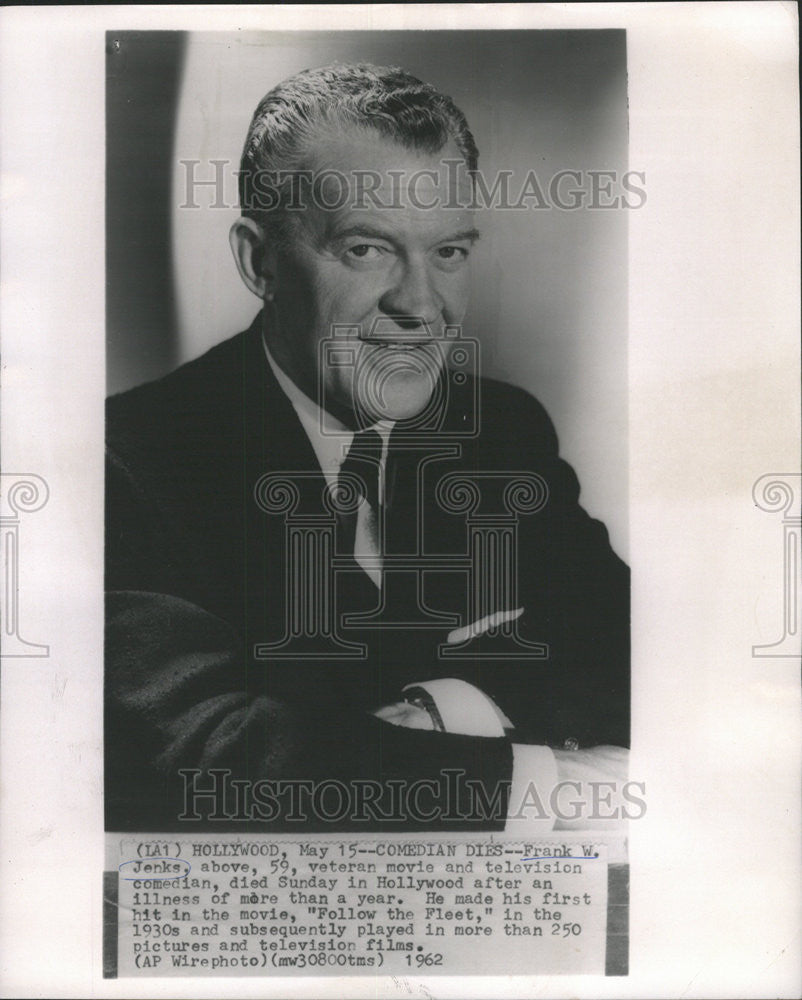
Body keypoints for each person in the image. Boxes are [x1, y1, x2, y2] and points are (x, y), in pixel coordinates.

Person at [105, 63, 629, 832]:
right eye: (367, 249)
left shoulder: (503, 433)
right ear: (261, 262)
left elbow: (635, 656)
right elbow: (197, 750)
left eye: (449, 252)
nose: (422, 305)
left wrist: (449, 707)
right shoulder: (130, 459)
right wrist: (538, 779)